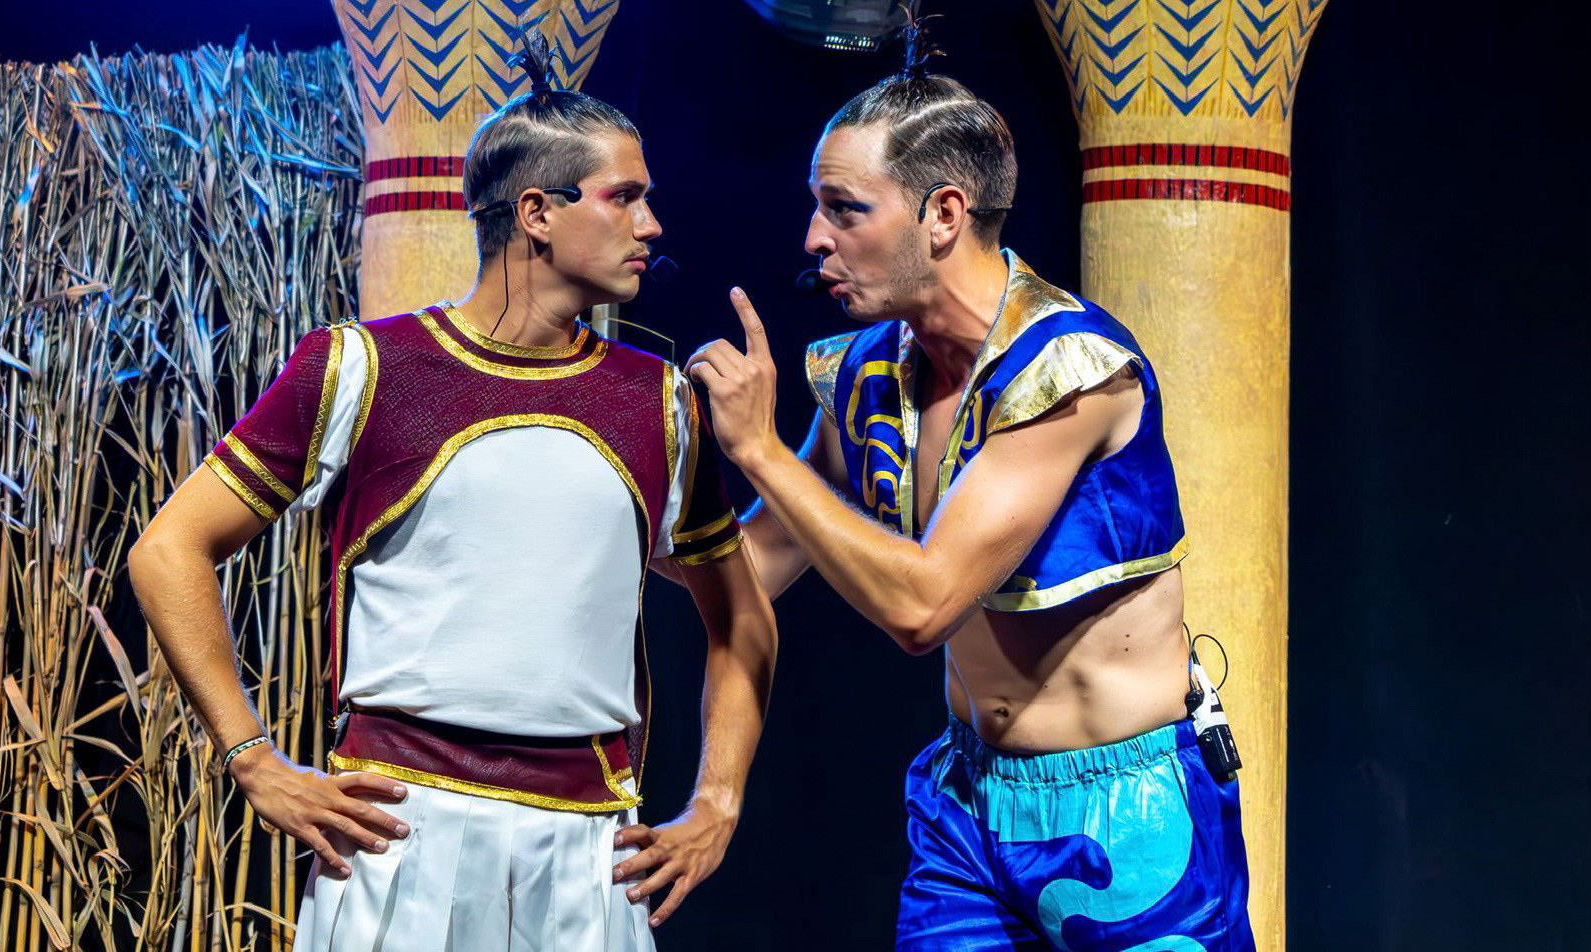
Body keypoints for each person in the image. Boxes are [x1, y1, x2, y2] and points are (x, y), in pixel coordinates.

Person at [128, 31, 776, 952]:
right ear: (537, 212)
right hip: (398, 835)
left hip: (590, 851)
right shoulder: (362, 368)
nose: (651, 225)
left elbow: (743, 619)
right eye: (624, 197)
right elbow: (167, 550)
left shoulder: (661, 402)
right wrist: (253, 760)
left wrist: (717, 804)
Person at [684, 41, 1254, 951]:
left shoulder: (1068, 369)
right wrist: (610, 471)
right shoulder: (870, 373)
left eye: (844, 208)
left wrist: (757, 449)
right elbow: (751, 564)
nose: (813, 238)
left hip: (1128, 811)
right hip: (967, 803)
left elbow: (922, 608)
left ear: (943, 214)